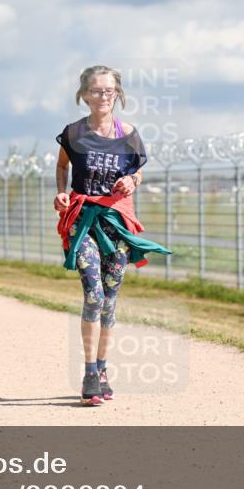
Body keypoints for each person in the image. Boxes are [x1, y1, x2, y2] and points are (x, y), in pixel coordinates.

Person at [54, 65, 170, 406]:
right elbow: (62, 166)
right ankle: (90, 371)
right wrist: (61, 192)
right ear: (84, 95)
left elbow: (139, 172)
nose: (103, 96)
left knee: (110, 298)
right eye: (96, 90)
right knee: (93, 293)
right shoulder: (73, 133)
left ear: (117, 94)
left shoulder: (129, 133)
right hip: (84, 219)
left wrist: (132, 181)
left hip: (116, 221)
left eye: (109, 91)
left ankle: (102, 369)